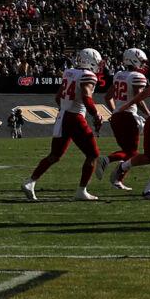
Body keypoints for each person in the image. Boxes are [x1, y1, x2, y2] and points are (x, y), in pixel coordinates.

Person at [24, 49, 105, 202]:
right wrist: (96, 115)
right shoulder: (88, 75)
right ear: (90, 61)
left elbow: (57, 97)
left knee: (55, 155)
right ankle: (82, 191)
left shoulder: (69, 73)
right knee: (93, 154)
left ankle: (30, 182)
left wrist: (66, 109)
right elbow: (87, 98)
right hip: (75, 117)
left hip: (63, 116)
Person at [102, 48, 148, 190]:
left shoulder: (118, 75)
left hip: (117, 116)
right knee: (132, 153)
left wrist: (116, 111)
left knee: (127, 151)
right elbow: (139, 99)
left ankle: (117, 180)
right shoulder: (136, 77)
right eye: (141, 61)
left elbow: (107, 97)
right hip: (129, 117)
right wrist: (149, 114)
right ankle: (107, 160)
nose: (143, 64)